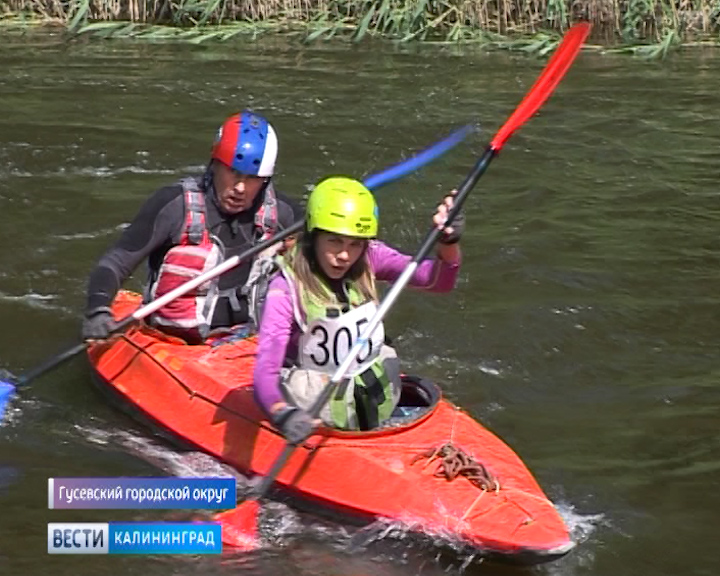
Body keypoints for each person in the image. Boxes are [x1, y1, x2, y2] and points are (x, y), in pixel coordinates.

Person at [252, 176, 464, 443]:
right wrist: (282, 414)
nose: (345, 255)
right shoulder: (284, 288)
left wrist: (449, 244)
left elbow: (438, 281)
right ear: (314, 236)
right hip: (314, 409)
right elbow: (264, 373)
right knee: (302, 388)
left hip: (366, 394)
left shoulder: (370, 256)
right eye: (334, 241)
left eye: (354, 244)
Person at [82, 110, 303, 344]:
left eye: (252, 178)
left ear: (265, 179)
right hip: (173, 341)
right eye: (233, 172)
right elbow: (114, 264)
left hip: (246, 338)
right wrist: (98, 310)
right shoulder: (174, 207)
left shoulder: (284, 214)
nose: (240, 187)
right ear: (215, 163)